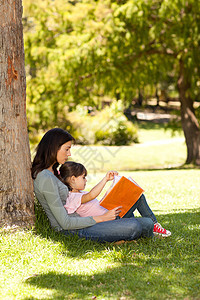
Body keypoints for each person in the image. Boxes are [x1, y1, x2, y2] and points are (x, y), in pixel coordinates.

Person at [31, 128, 171, 243]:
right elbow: (65, 223)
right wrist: (103, 218)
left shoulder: (54, 172)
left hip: (86, 222)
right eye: (66, 149)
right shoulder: (45, 177)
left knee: (146, 223)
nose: (69, 154)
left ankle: (128, 234)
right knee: (134, 225)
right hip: (72, 230)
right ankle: (122, 236)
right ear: (53, 148)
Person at [60, 161, 171, 237]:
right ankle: (150, 227)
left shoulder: (81, 193)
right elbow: (92, 195)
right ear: (73, 179)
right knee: (146, 223)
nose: (86, 180)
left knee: (137, 196)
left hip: (114, 216)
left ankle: (154, 224)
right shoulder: (72, 197)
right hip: (108, 223)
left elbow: (96, 203)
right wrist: (105, 179)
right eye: (83, 177)